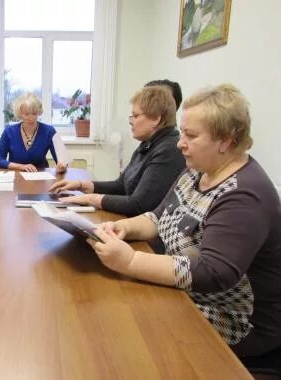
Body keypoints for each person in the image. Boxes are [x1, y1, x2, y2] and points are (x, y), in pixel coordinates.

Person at [87, 84, 281, 359]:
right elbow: (158, 216)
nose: (180, 142)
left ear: (225, 141)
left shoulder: (245, 195)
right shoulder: (197, 170)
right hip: (192, 296)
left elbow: (212, 272)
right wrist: (125, 228)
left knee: (122, 331)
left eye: (190, 135)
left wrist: (130, 262)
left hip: (235, 321)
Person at [50, 85, 185, 216]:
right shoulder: (148, 143)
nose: (131, 121)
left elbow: (138, 205)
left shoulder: (168, 150)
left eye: (136, 116)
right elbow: (121, 185)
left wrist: (91, 199)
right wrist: (81, 185)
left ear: (156, 119)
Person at [0, 92, 68, 173]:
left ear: (39, 112)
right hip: (16, 177)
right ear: (20, 114)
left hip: (40, 178)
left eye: (34, 113)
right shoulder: (9, 132)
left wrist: (62, 166)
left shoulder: (49, 131)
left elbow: (62, 160)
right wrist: (21, 166)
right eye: (26, 114)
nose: (31, 118)